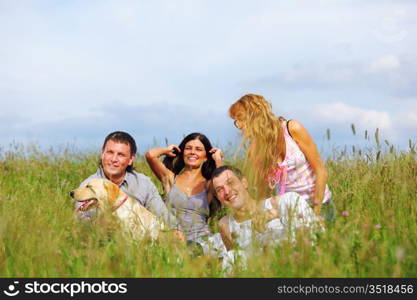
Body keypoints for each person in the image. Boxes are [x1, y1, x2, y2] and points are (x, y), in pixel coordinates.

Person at [229, 94, 334, 220]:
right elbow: (264, 190)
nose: (239, 126)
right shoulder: (255, 149)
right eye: (236, 121)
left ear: (256, 115)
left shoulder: (292, 129)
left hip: (320, 205)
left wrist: (316, 213)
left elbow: (320, 170)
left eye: (241, 119)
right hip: (289, 211)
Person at [76, 131, 184, 240]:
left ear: (131, 159)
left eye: (121, 155)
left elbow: (163, 216)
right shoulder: (87, 186)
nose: (114, 159)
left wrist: (176, 231)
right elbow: (82, 223)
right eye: (110, 152)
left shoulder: (143, 183)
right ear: (102, 153)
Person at [145, 132, 224, 243]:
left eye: (198, 149)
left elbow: (223, 181)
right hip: (173, 241)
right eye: (188, 148)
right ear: (183, 153)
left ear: (206, 157)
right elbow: (150, 155)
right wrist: (166, 150)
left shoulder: (209, 184)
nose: (192, 152)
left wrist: (218, 159)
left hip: (202, 242)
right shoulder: (171, 179)